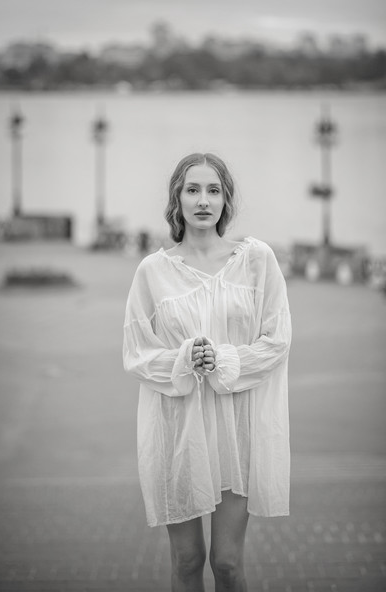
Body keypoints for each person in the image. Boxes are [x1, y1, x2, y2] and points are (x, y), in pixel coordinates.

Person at [123, 153, 292, 591]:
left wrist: (225, 361)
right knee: (187, 560)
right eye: (193, 190)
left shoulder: (256, 260)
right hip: (178, 429)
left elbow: (277, 341)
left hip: (237, 428)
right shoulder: (153, 271)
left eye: (213, 190)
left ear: (225, 199)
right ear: (177, 199)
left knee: (228, 563)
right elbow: (137, 353)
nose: (203, 200)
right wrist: (184, 359)